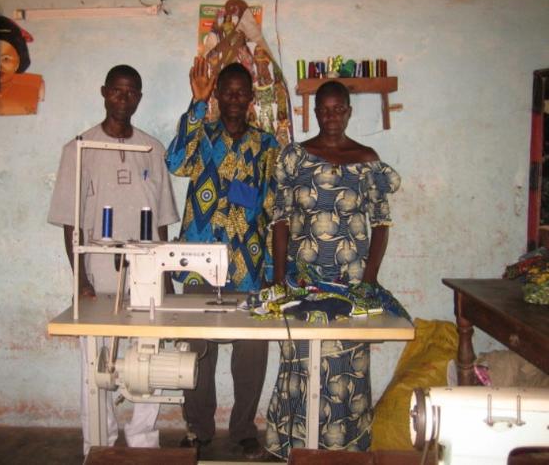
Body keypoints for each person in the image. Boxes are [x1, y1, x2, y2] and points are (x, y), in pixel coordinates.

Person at [47, 64, 179, 456]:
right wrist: (80, 279)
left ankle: (143, 437)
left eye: (132, 92)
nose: (124, 98)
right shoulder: (79, 149)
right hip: (98, 271)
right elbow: (70, 223)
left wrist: (166, 276)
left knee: (149, 358)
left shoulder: (152, 149)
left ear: (140, 97)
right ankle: (98, 440)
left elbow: (162, 219)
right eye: (117, 91)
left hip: (146, 270)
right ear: (104, 92)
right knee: (95, 361)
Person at [265, 81, 402, 459]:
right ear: (315, 113)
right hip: (302, 284)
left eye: (338, 109)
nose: (331, 116)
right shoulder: (294, 158)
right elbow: (280, 220)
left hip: (351, 285)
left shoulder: (366, 160)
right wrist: (279, 280)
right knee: (300, 363)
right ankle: (296, 449)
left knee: (346, 368)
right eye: (324, 110)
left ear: (348, 111)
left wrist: (369, 280)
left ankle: (345, 453)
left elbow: (381, 224)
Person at [165, 57, 279, 460]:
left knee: (252, 350)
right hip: (199, 261)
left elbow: (274, 207)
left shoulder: (267, 146)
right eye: (226, 91)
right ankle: (198, 430)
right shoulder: (202, 135)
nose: (233, 98)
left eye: (240, 92)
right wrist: (196, 105)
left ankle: (244, 430)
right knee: (196, 348)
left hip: (248, 263)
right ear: (217, 95)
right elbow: (175, 162)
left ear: (250, 99)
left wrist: (272, 269)